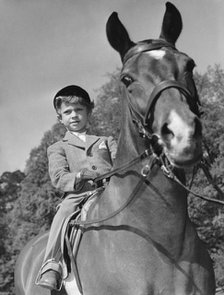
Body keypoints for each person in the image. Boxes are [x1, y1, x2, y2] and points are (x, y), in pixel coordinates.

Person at [36, 85, 117, 291]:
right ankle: (52, 264)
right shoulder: (57, 147)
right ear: (60, 118)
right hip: (78, 195)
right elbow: (58, 178)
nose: (74, 115)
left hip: (110, 190)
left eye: (79, 110)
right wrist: (79, 176)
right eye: (68, 112)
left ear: (89, 112)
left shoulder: (105, 141)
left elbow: (119, 163)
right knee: (63, 213)